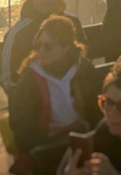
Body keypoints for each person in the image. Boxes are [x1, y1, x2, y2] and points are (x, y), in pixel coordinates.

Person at [9, 16, 101, 175]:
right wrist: (44, 149)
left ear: (66, 47)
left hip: (81, 137)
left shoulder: (84, 70)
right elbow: (21, 128)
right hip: (47, 144)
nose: (41, 51)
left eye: (48, 46)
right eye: (38, 45)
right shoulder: (30, 80)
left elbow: (96, 111)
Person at [1, 0, 88, 95]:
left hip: (72, 96)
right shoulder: (18, 33)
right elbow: (8, 79)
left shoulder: (73, 23)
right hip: (33, 100)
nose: (47, 0)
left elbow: (85, 59)